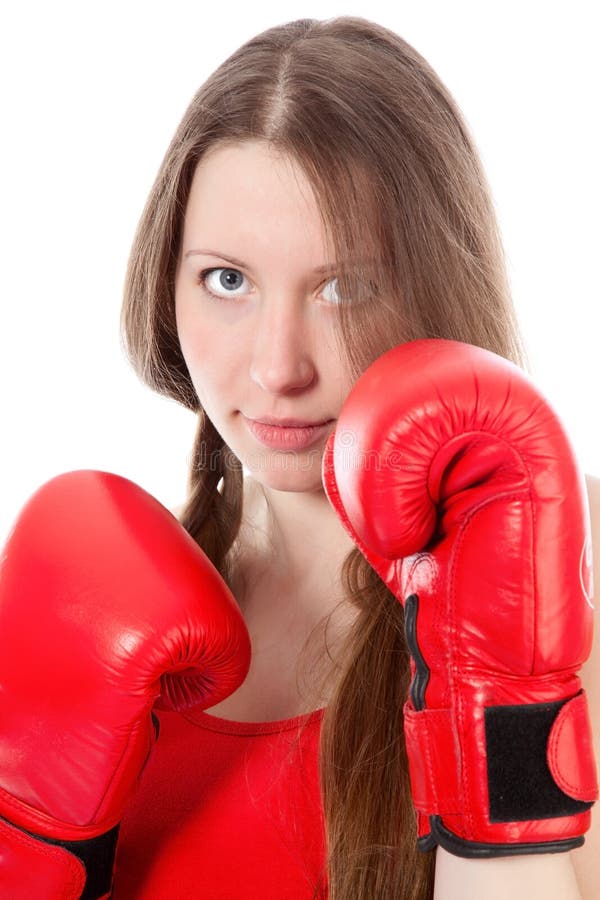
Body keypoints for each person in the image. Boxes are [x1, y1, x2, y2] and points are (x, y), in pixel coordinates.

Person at [0, 15, 598, 900]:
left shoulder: (562, 579)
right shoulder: (89, 606)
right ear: (167, 285)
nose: (280, 368)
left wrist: (502, 691)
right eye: (227, 281)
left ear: (433, 287)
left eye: (344, 287)